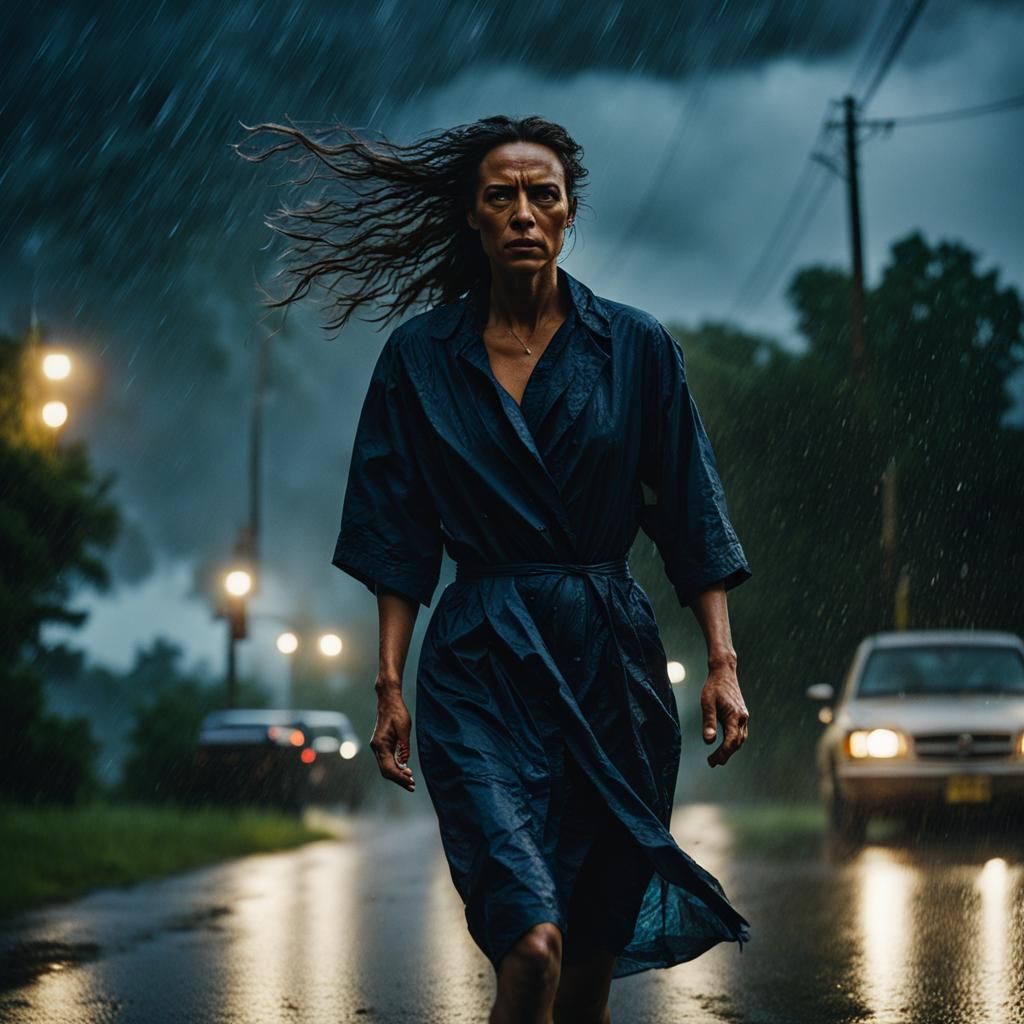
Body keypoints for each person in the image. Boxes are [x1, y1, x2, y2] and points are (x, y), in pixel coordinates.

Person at [237, 114, 752, 1024]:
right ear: (472, 216)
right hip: (479, 663)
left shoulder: (635, 348)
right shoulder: (420, 358)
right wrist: (388, 683)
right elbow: (397, 535)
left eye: (541, 195)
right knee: (531, 940)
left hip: (609, 666)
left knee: (587, 955)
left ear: (569, 212)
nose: (522, 213)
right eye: (500, 196)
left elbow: (691, 512)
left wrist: (722, 662)